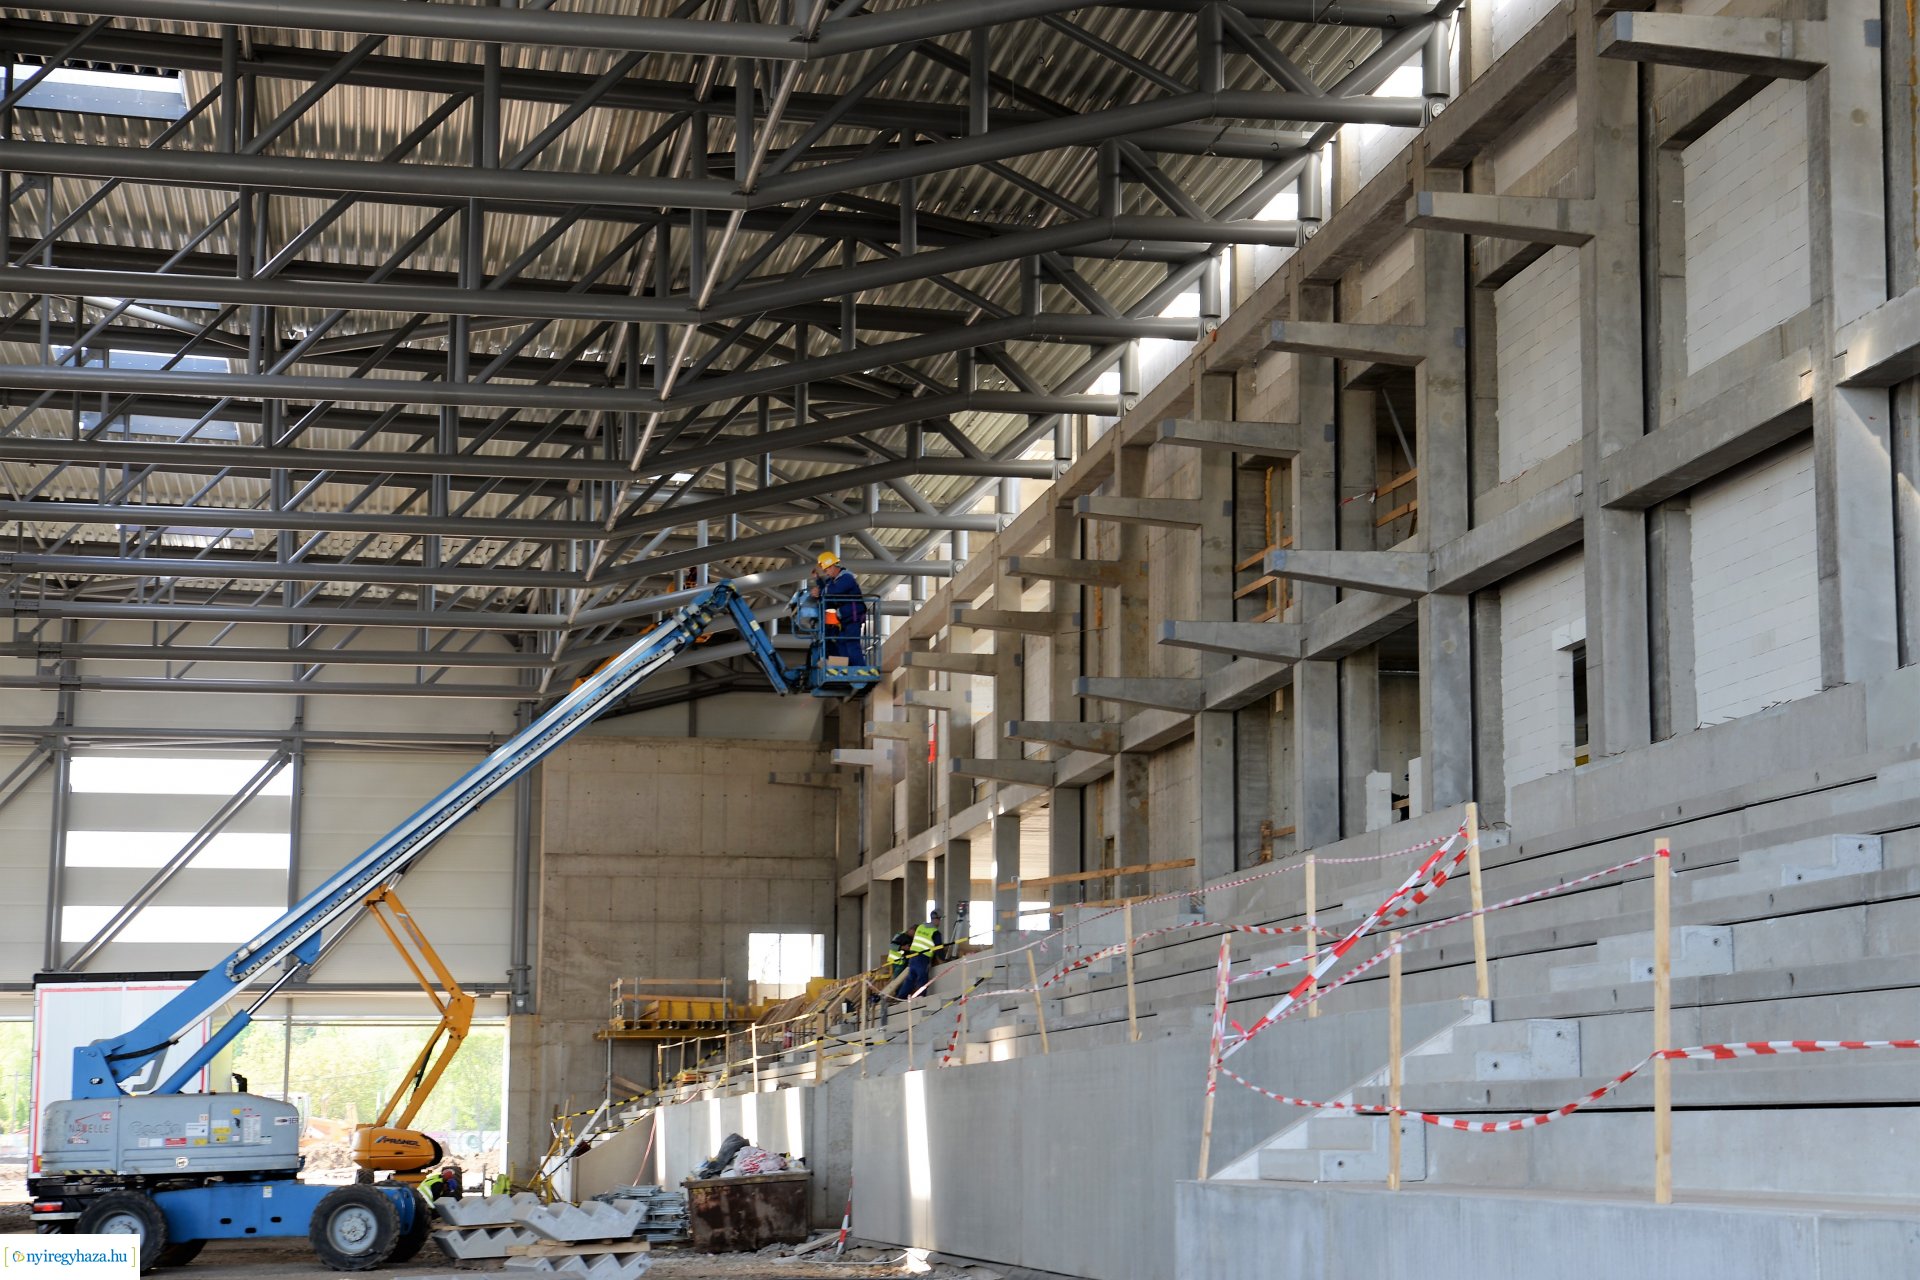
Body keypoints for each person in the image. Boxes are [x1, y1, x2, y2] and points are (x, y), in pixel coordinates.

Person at [809, 550, 866, 664]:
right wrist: (818, 580)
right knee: (840, 642)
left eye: (826, 570)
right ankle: (847, 668)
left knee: (851, 643)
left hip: (853, 616)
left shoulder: (846, 577)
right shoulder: (833, 581)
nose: (826, 573)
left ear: (832, 566)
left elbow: (835, 591)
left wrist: (820, 592)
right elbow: (828, 588)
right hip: (844, 617)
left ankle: (860, 669)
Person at [902, 910, 943, 997]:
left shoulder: (921, 927)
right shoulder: (935, 932)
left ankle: (900, 997)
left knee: (910, 978)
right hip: (923, 958)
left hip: (913, 956)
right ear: (937, 920)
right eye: (940, 919)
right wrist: (943, 960)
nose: (940, 922)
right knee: (922, 977)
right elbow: (939, 948)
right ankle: (921, 998)